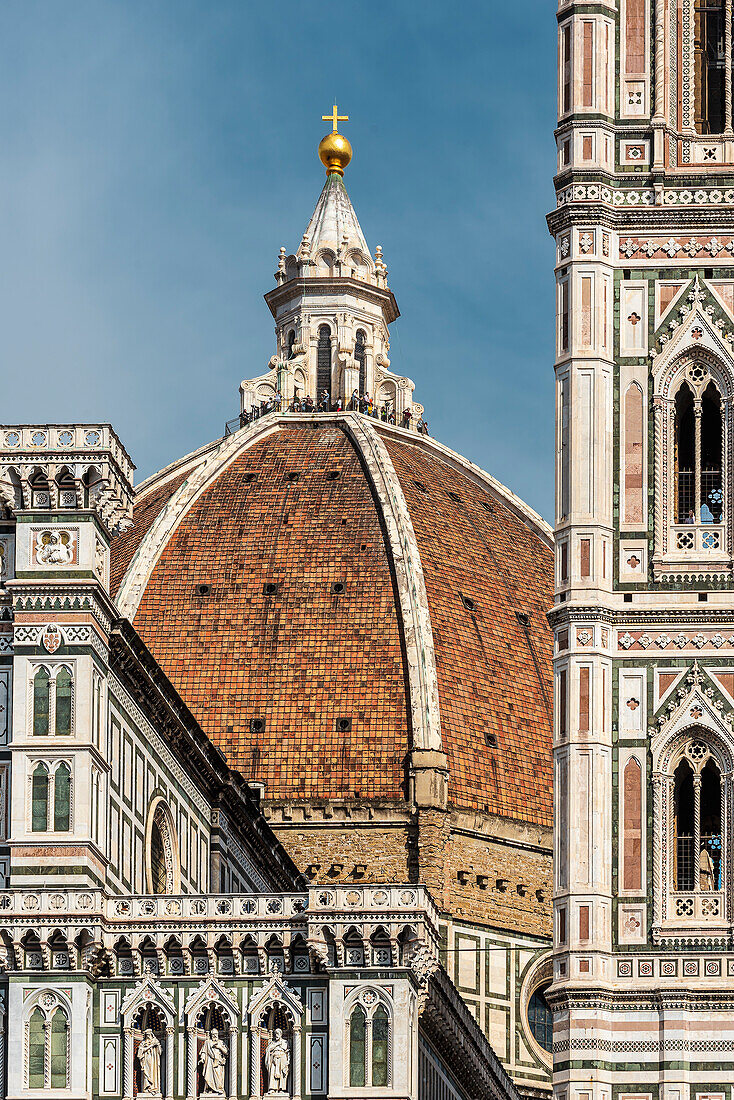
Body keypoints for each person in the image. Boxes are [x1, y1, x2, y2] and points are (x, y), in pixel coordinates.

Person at [199, 1028, 228, 1096]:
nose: (214, 1036)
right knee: (208, 1075)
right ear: (211, 1035)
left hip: (218, 1063)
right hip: (209, 1061)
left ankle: (219, 1089)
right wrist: (202, 1059)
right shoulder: (207, 1042)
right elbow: (204, 1051)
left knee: (219, 1077)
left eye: (216, 1034)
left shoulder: (221, 1042)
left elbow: (226, 1052)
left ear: (218, 1034)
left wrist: (219, 1047)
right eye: (213, 1034)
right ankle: (209, 1089)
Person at [264, 1028, 290, 1094]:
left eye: (277, 1034)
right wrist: (277, 1044)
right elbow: (268, 1049)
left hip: (282, 1059)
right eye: (275, 1034)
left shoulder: (285, 1042)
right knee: (272, 1073)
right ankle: (272, 1089)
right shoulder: (272, 1043)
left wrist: (288, 1061)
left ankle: (281, 1089)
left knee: (282, 1074)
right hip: (274, 1060)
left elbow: (288, 1052)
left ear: (281, 1034)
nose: (276, 1035)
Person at [137, 1028, 162, 1095]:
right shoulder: (143, 1042)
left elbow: (160, 1052)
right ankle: (146, 1088)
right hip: (146, 1059)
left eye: (149, 1034)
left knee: (153, 1072)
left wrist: (158, 1045)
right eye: (146, 1035)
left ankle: (153, 1087)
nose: (148, 1036)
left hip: (154, 1060)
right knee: (146, 1072)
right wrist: (151, 1046)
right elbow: (140, 1052)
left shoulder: (155, 1041)